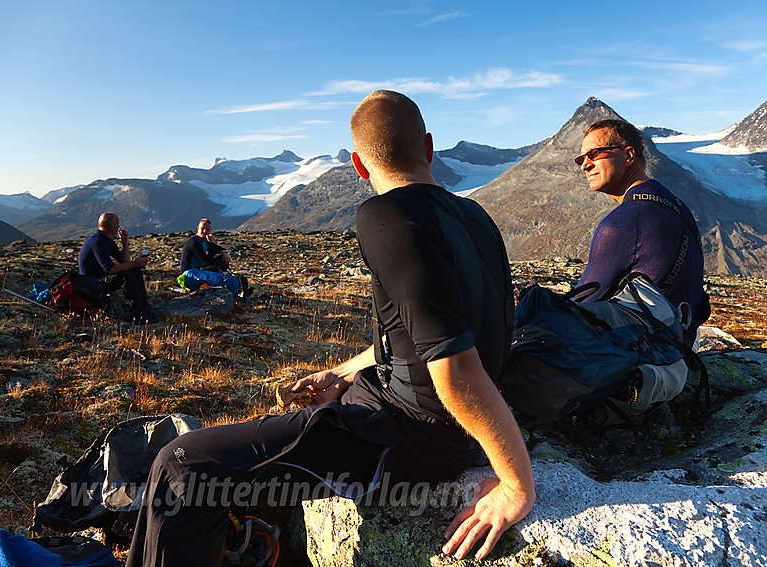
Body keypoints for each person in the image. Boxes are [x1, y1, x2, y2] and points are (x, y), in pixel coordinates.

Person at [125, 90, 534, 567]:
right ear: (428, 148)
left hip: (411, 437)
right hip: (420, 415)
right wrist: (340, 374)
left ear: (359, 166)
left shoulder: (386, 215)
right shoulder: (476, 216)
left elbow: (456, 365)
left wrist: (515, 485)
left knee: (181, 469)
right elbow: (422, 335)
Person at [574, 119, 706, 344]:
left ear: (628, 156)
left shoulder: (623, 222)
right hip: (678, 357)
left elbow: (579, 307)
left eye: (594, 154)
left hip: (636, 361)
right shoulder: (676, 206)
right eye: (581, 158)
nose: (585, 165)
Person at [78, 212, 156, 323]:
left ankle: (144, 308)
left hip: (100, 278)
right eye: (117, 224)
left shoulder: (107, 240)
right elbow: (110, 269)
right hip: (91, 283)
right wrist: (135, 263)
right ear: (112, 226)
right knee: (125, 275)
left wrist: (125, 243)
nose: (119, 226)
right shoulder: (97, 242)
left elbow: (124, 261)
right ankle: (138, 314)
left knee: (133, 270)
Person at [178, 218, 251, 299]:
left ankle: (240, 291)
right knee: (231, 282)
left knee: (228, 269)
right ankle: (236, 292)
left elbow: (217, 248)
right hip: (189, 274)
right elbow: (207, 261)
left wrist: (224, 253)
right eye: (203, 228)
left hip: (199, 270)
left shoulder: (204, 240)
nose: (205, 231)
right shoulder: (194, 242)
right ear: (198, 227)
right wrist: (212, 243)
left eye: (207, 229)